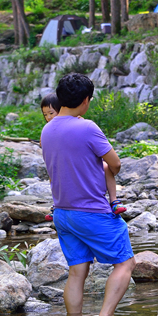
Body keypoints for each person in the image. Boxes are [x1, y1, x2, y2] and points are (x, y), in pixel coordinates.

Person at [41, 73, 136, 316]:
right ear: (85, 100)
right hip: (91, 211)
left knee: (77, 272)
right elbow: (115, 164)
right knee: (125, 263)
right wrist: (108, 171)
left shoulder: (47, 130)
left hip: (62, 213)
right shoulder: (87, 127)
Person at [40, 93, 125, 222]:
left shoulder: (77, 124)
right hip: (90, 209)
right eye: (45, 115)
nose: (48, 117)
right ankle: (56, 205)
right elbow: (116, 164)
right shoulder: (50, 129)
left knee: (106, 167)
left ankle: (114, 200)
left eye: (51, 113)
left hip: (69, 211)